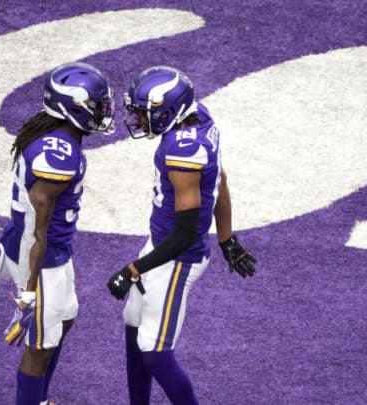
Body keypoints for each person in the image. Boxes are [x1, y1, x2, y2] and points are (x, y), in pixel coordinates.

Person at [106, 66, 257, 405]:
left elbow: (186, 234)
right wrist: (227, 238)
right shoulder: (199, 117)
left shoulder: (182, 151)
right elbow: (220, 180)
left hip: (178, 257)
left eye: (145, 114)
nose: (139, 120)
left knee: (155, 352)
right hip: (164, 243)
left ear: (169, 111)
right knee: (133, 324)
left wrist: (133, 269)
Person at [0, 61, 115, 405]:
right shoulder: (59, 153)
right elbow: (37, 230)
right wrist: (29, 293)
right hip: (40, 258)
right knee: (39, 346)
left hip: (51, 252)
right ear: (72, 106)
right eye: (96, 104)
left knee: (64, 320)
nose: (102, 111)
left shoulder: (57, 140)